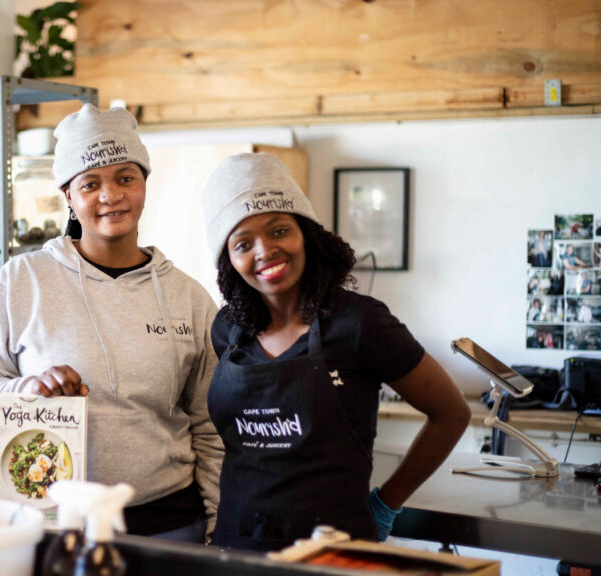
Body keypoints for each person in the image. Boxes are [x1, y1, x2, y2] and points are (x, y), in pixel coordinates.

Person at [0, 104, 223, 542]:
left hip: (170, 524)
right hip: (54, 524)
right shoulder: (19, 283)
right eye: (90, 183)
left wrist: (215, 524)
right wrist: (26, 392)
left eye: (125, 178)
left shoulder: (188, 297)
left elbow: (210, 425)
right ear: (68, 196)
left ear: (144, 183)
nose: (110, 195)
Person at [200, 153, 470, 552]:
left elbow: (451, 414)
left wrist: (386, 503)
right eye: (243, 243)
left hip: (334, 553)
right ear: (229, 260)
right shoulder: (229, 330)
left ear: (306, 233)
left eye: (278, 230)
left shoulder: (359, 323)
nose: (264, 251)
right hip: (238, 550)